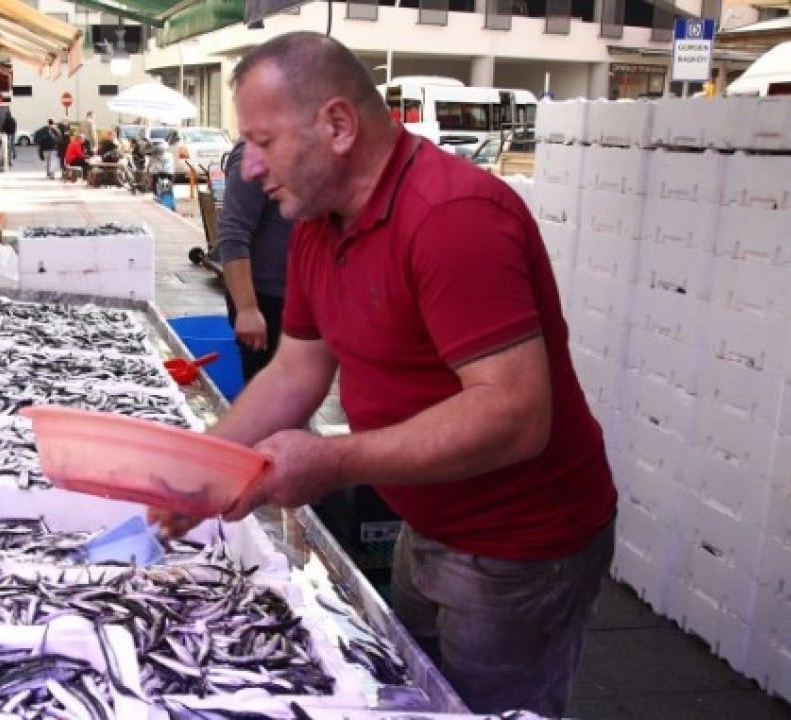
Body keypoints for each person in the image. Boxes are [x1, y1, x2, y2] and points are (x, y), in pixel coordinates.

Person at [153, 32, 616, 717]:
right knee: (417, 695)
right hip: (426, 520)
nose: (247, 168)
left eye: (263, 142)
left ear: (338, 125)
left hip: (518, 550)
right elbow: (295, 372)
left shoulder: (454, 219)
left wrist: (334, 461)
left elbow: (515, 414)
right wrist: (204, 464)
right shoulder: (318, 223)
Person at [215, 140, 293, 381]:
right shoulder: (254, 153)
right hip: (265, 298)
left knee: (294, 391)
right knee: (268, 387)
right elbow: (233, 234)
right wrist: (247, 309)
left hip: (297, 294)